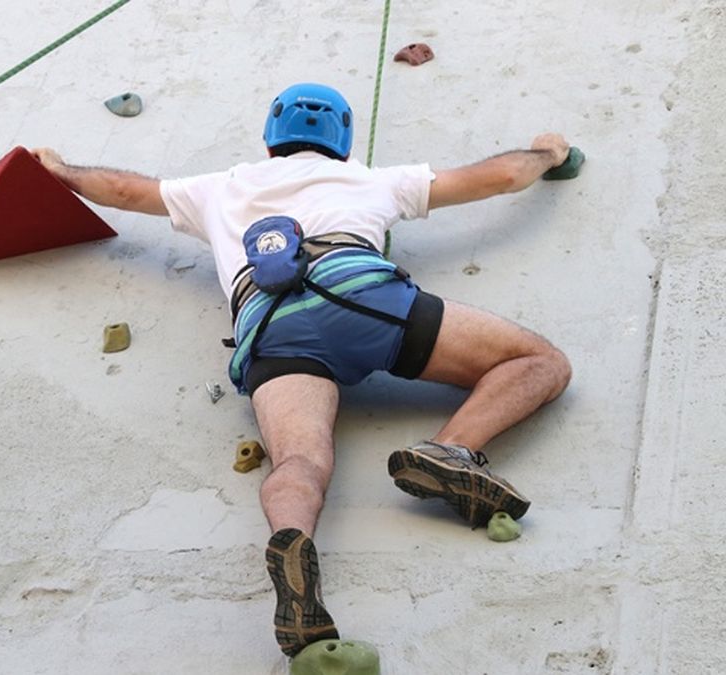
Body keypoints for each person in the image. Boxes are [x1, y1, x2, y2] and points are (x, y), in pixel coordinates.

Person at [31, 82, 572, 658]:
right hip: (356, 291)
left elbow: (118, 189)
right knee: (539, 361)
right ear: (342, 144)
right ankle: (451, 449)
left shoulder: (222, 187)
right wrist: (548, 152)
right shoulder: (370, 178)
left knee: (301, 461)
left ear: (269, 144)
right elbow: (503, 177)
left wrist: (61, 169)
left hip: (268, 321)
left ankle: (293, 540)